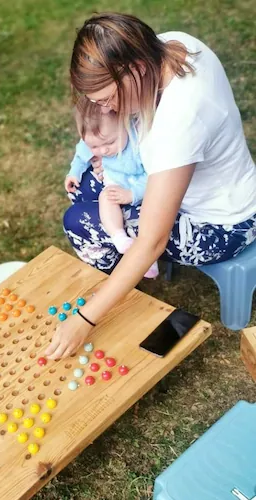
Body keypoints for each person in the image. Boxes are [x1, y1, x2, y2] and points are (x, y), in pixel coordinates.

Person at [48, 12, 256, 359]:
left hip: (222, 226)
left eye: (106, 98)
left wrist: (84, 318)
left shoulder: (179, 121)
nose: (104, 108)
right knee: (86, 187)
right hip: (231, 188)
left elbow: (152, 240)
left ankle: (123, 293)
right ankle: (124, 277)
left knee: (81, 221)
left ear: (137, 70)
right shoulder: (176, 45)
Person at [65, 109, 158, 278]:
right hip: (115, 184)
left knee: (149, 217)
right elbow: (81, 155)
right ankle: (119, 237)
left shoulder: (138, 144)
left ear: (124, 126)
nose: (103, 151)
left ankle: (149, 261)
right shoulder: (96, 141)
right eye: (94, 147)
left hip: (141, 189)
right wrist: (74, 173)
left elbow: (153, 176)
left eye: (109, 143)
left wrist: (132, 194)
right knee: (106, 198)